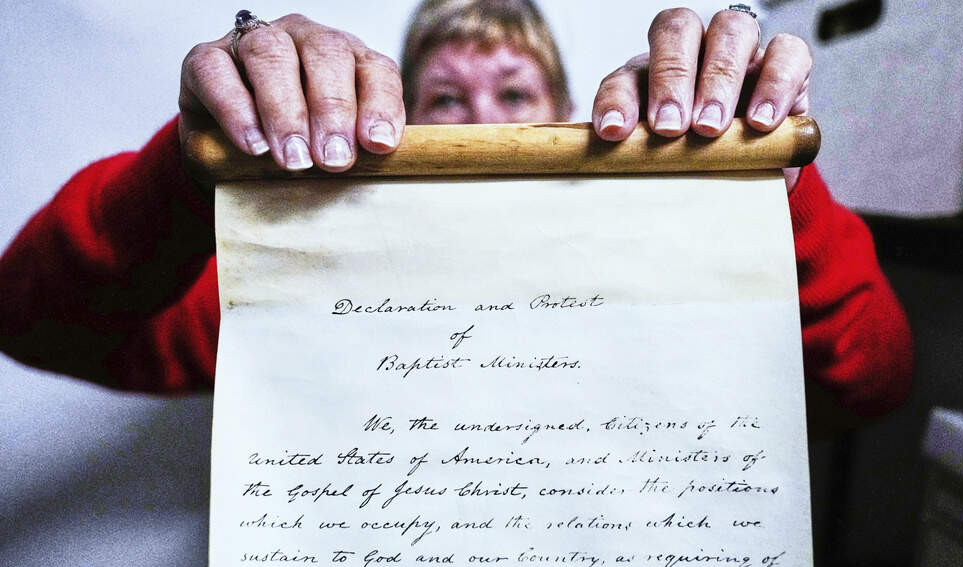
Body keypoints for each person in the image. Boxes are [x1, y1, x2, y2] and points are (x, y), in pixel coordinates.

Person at [0, 0, 912, 421]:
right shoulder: (307, 280)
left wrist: (768, 184)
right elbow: (34, 324)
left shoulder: (667, 262)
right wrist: (187, 168)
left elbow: (873, 381)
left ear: (568, 115)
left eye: (514, 95)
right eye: (443, 100)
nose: (481, 123)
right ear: (393, 126)